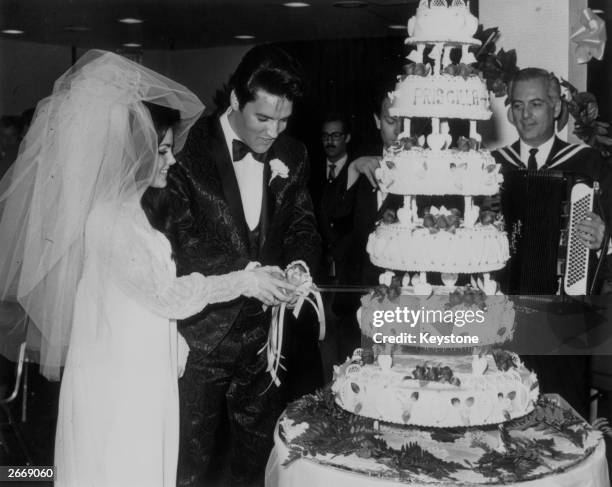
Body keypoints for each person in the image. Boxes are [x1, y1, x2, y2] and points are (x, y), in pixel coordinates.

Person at [0, 50, 296, 487]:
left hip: (141, 367)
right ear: (135, 155)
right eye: (161, 151)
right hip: (122, 378)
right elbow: (166, 295)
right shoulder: (109, 219)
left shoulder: (130, 211)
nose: (171, 161)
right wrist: (245, 280)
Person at [167, 45, 321, 486]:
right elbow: (183, 245)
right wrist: (246, 278)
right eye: (263, 119)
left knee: (258, 462)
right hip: (201, 338)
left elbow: (303, 228)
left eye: (284, 120)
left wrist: (298, 269)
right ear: (235, 100)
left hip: (263, 343)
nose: (274, 132)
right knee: (188, 464)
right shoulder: (183, 151)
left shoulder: (293, 154)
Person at [493, 67, 612, 418]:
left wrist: (604, 239)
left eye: (537, 104)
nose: (525, 115)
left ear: (557, 107)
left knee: (562, 416)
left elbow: (607, 235)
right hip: (504, 312)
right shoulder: (493, 165)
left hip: (564, 316)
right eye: (517, 105)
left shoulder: (587, 162)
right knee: (502, 414)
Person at [313, 112, 354, 284]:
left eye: (336, 135)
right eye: (325, 136)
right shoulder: (310, 170)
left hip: (349, 265)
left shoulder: (358, 171)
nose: (330, 141)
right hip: (317, 266)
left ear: (347, 138)